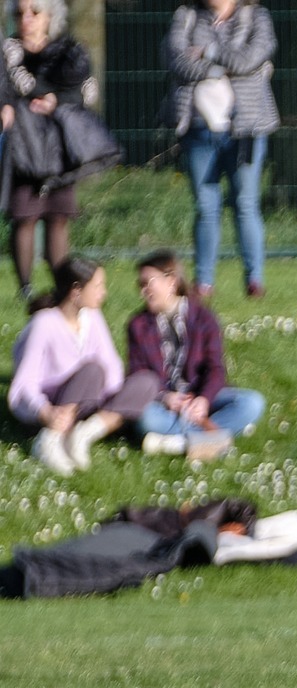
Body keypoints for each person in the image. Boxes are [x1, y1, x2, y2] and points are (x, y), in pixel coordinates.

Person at [162, 0, 279, 300]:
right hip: (198, 128)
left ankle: (255, 280)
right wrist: (220, 69)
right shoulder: (186, 16)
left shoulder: (257, 17)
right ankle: (204, 283)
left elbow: (251, 58)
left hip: (247, 128)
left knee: (246, 203)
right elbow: (176, 60)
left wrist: (209, 53)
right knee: (205, 205)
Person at [9, 255, 157, 476]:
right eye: (98, 286)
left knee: (147, 381)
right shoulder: (44, 323)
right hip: (52, 410)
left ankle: (83, 435)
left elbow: (112, 365)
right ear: (76, 290)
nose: (104, 293)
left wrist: (115, 399)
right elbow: (24, 383)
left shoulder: (92, 317)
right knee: (93, 370)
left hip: (89, 404)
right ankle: (50, 440)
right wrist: (46, 412)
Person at [126, 249, 265, 461]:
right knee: (146, 419)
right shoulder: (137, 325)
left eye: (148, 283)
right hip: (166, 404)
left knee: (252, 402)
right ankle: (212, 438)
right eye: (140, 284)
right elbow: (138, 374)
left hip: (200, 395)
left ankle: (175, 444)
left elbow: (215, 368)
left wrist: (203, 400)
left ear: (171, 281)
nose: (142, 291)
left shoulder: (204, 318)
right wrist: (165, 397)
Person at [2, 0, 95, 300]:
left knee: (58, 215)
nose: (26, 19)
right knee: (24, 214)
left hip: (58, 147)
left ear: (50, 17)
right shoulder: (8, 53)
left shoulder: (66, 51)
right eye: (20, 13)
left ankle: (62, 286)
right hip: (23, 147)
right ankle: (25, 288)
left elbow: (83, 89)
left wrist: (55, 99)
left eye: (34, 12)